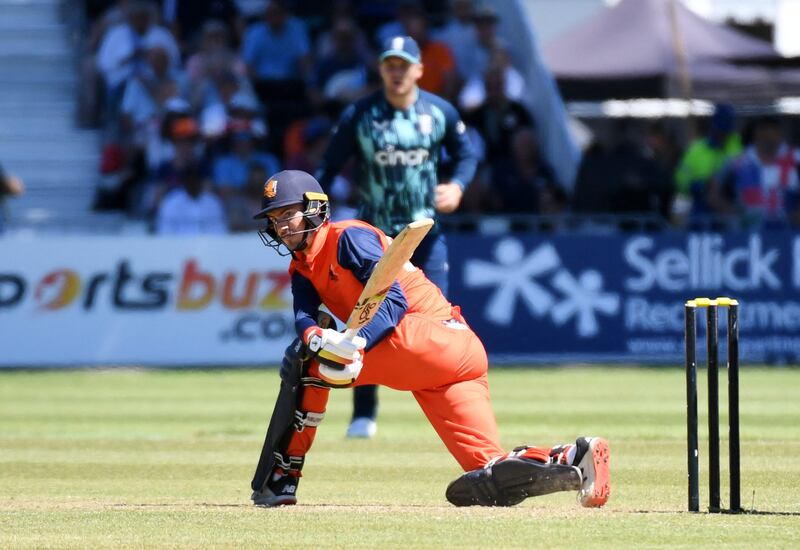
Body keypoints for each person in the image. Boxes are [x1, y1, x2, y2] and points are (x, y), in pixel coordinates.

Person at [248, 169, 611, 509]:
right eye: (275, 219)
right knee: (490, 469)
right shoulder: (301, 266)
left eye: (287, 215)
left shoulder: (348, 238)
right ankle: (574, 456)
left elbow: (393, 302)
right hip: (455, 359)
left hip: (425, 334)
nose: (280, 227)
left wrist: (352, 344)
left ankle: (282, 479)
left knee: (309, 366)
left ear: (315, 209)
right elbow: (304, 316)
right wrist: (315, 337)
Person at [316, 35, 477, 439]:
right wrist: (316, 215)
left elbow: (467, 154)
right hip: (374, 240)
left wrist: (457, 185)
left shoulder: (439, 111)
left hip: (426, 235)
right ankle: (364, 414)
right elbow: (329, 165)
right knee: (365, 321)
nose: (397, 72)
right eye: (390, 64)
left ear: (420, 70)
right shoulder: (361, 114)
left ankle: (443, 412)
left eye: (405, 65)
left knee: (438, 326)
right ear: (381, 68)